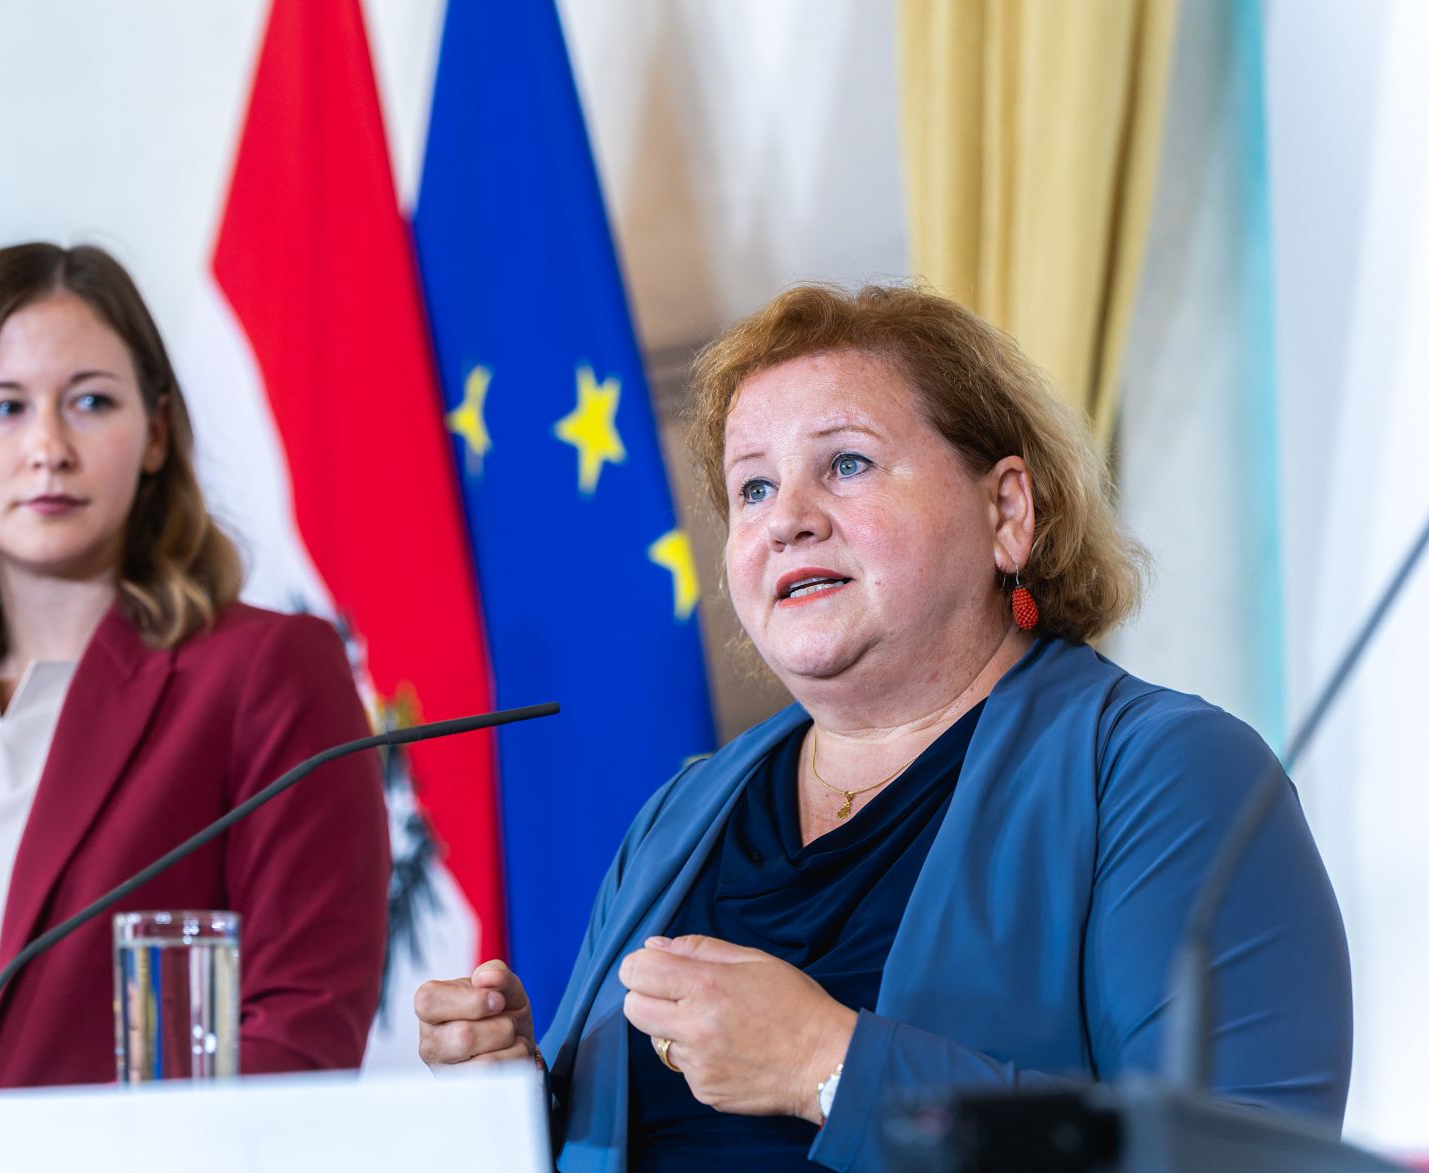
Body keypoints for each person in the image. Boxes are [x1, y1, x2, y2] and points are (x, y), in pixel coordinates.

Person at [415, 284, 1352, 1171]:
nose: (786, 520)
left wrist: (831, 1067)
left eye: (847, 464)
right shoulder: (680, 814)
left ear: (1006, 513)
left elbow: (1243, 1152)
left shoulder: (1165, 775)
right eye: (751, 488)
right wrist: (514, 1107)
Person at [0, 243, 389, 1097]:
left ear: (156, 433)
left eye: (92, 401)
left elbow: (300, 1025)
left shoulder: (268, 671)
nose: (47, 447)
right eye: (2, 408)